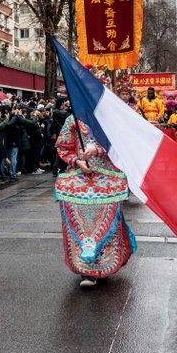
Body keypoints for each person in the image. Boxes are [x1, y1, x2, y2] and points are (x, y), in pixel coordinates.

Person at [54, 114, 135, 288]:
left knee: (105, 226)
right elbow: (63, 147)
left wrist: (98, 150)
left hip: (108, 180)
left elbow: (122, 144)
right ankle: (87, 270)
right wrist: (76, 161)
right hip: (79, 181)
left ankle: (101, 267)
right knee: (83, 226)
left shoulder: (109, 114)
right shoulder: (73, 119)